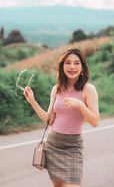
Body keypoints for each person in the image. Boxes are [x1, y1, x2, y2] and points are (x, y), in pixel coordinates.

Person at [23, 48, 100, 187]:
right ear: (62, 66)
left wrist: (81, 106)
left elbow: (95, 121)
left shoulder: (88, 89)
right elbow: (49, 120)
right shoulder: (56, 88)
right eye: (68, 63)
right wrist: (32, 101)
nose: (72, 67)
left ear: (82, 67)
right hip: (54, 144)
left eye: (76, 63)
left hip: (73, 147)